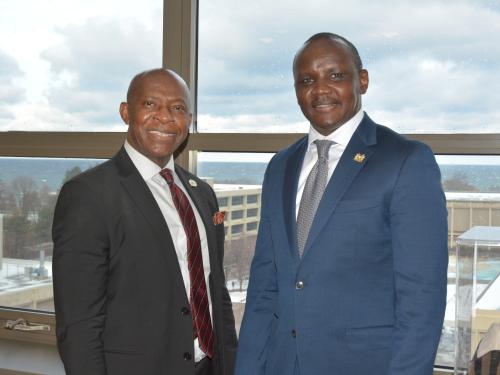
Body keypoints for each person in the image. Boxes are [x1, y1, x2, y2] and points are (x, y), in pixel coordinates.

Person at [235, 33, 448, 375]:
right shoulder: (280, 167)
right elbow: (265, 287)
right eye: (307, 80)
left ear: (361, 80)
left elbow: (422, 298)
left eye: (335, 76)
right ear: (296, 90)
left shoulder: (406, 161)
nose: (320, 90)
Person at [52, 68, 237, 375]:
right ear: (126, 112)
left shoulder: (202, 194)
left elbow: (215, 291)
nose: (165, 117)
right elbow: (79, 324)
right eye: (150, 105)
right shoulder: (88, 195)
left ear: (188, 120)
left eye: (177, 108)